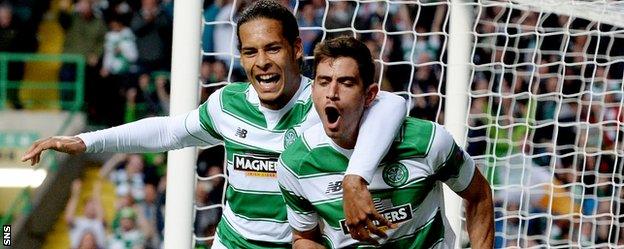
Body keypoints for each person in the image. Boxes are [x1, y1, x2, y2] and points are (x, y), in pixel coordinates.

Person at [22, 1, 406, 248]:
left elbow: (391, 104)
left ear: (296, 49)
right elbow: (168, 131)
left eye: (272, 48)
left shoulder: (324, 98)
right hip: (233, 241)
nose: (262, 62)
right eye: (250, 52)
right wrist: (86, 141)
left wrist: (355, 177)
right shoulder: (228, 102)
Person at [276, 36, 494, 248]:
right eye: (323, 82)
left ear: (370, 95)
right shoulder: (296, 164)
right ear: (313, 89)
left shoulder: (427, 141)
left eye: (346, 83)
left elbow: (479, 195)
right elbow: (305, 237)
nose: (332, 93)